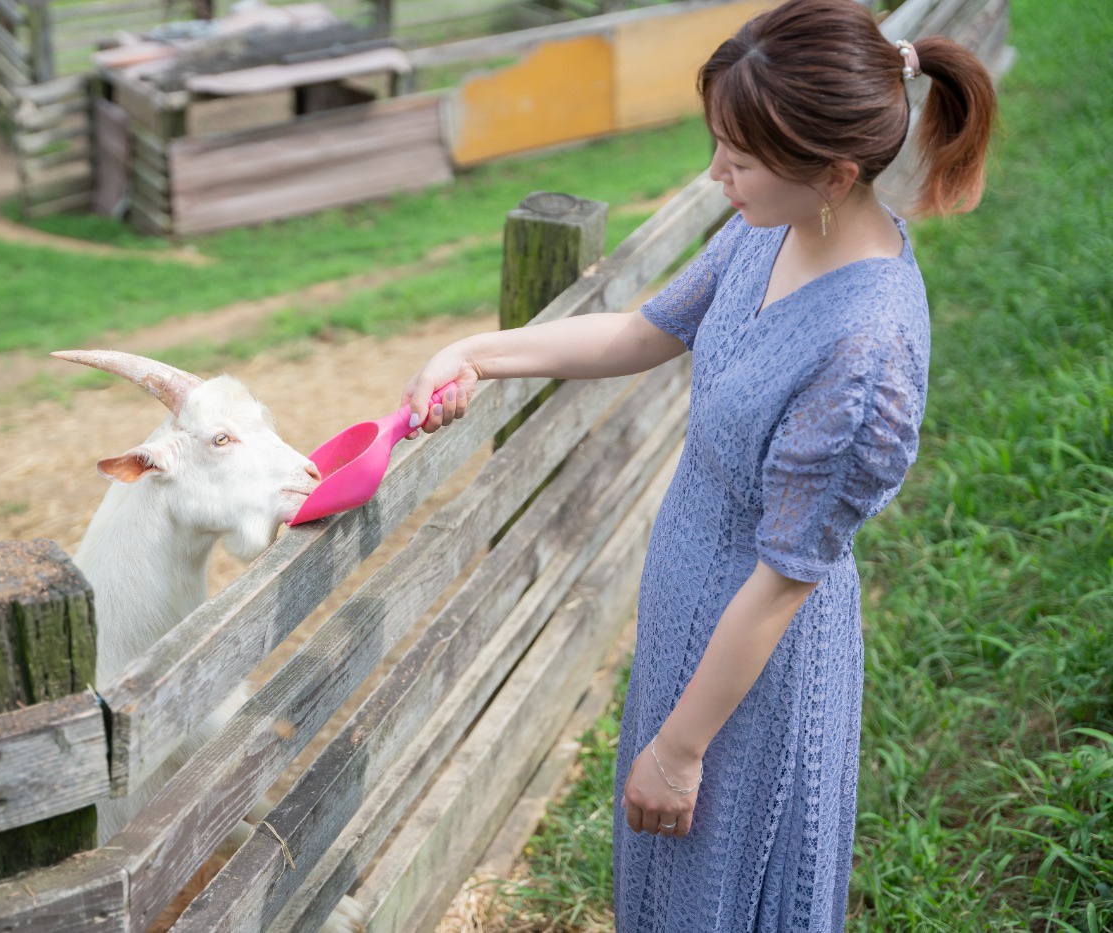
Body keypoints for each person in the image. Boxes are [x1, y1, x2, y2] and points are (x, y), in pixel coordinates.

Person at [399, 0, 996, 928]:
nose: (717, 174)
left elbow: (786, 577)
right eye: (718, 143)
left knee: (720, 894)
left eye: (740, 158)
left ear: (835, 173)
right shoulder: (773, 224)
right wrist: (476, 351)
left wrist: (682, 749)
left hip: (751, 671)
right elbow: (644, 331)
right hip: (686, 605)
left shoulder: (865, 352)